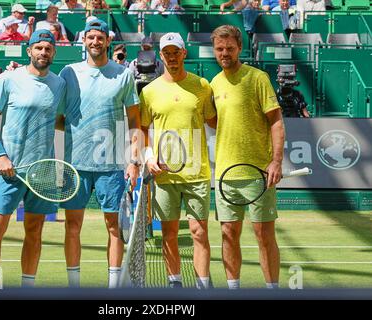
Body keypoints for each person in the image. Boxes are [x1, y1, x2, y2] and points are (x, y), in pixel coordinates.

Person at [0, 29, 66, 289]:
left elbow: (59, 121)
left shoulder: (59, 84)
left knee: (35, 232)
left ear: (54, 52)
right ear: (29, 51)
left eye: (47, 48)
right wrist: (0, 155)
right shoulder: (8, 78)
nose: (43, 52)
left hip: (44, 171)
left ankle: (27, 289)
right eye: (38, 48)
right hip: (9, 171)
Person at [57, 18, 141, 289]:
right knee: (72, 226)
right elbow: (58, 117)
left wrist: (134, 160)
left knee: (114, 227)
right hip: (76, 166)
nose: (95, 41)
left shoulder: (124, 74)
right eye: (90, 37)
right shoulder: (69, 72)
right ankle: (74, 287)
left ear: (108, 41)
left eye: (100, 37)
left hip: (112, 167)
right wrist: (76, 129)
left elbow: (135, 123)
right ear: (84, 41)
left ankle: (113, 288)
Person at [209, 25, 285, 289]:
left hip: (258, 175)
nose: (225, 53)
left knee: (264, 236)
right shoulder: (214, 83)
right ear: (214, 50)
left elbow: (276, 121)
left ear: (239, 48)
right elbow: (216, 122)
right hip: (225, 176)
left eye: (230, 48)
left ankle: (272, 290)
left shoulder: (258, 78)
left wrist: (276, 161)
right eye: (220, 49)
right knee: (228, 235)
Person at [140, 33, 217, 289]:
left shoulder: (203, 86)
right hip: (164, 175)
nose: (171, 57)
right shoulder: (149, 91)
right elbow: (141, 129)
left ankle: (203, 286)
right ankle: (175, 285)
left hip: (197, 174)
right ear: (161, 56)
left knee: (199, 232)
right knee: (169, 234)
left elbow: (214, 122)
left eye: (176, 52)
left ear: (184, 53)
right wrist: (148, 157)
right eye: (167, 53)